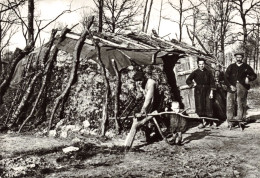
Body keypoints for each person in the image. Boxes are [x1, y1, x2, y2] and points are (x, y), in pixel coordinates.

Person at [224, 52, 257, 127]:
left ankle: (240, 120)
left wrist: (248, 78)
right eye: (237, 57)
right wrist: (230, 85)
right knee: (230, 104)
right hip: (231, 87)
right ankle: (230, 121)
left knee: (241, 103)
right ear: (235, 58)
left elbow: (254, 75)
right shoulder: (231, 66)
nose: (238, 59)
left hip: (242, 87)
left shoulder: (246, 66)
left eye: (240, 57)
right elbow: (225, 77)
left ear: (242, 58)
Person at [133, 69, 164, 142]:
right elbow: (143, 94)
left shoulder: (151, 83)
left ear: (143, 78)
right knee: (146, 116)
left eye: (140, 80)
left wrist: (143, 109)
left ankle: (158, 135)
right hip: (151, 99)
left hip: (158, 99)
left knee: (154, 115)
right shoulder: (140, 84)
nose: (139, 82)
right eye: (137, 81)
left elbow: (149, 98)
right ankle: (148, 136)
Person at [186, 58, 215, 128]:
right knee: (200, 105)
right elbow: (188, 80)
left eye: (202, 64)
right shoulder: (195, 72)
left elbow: (212, 83)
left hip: (207, 90)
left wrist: (211, 92)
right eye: (200, 64)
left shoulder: (209, 72)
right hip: (199, 91)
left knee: (208, 105)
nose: (201, 65)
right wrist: (193, 84)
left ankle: (210, 122)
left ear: (204, 64)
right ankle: (202, 122)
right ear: (198, 65)